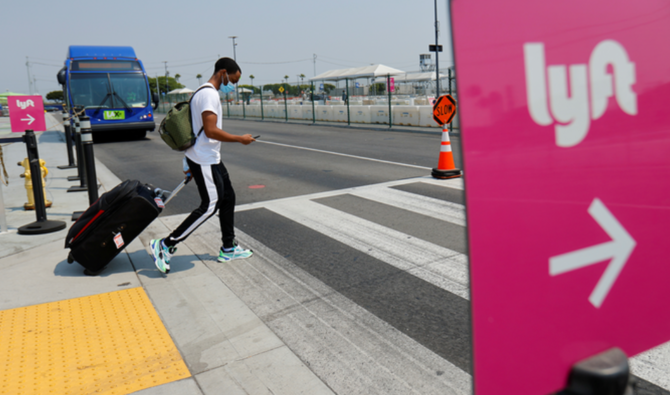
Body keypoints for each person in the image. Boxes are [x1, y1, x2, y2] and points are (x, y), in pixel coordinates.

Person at [150, 57, 256, 274]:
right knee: (210, 205)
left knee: (228, 197)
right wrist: (240, 139)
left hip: (207, 156)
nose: (232, 86)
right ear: (223, 72)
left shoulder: (201, 91)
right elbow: (210, 131)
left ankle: (228, 247)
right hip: (204, 158)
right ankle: (165, 245)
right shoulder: (208, 94)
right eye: (232, 81)